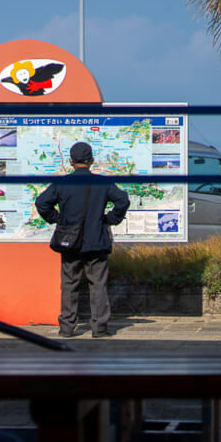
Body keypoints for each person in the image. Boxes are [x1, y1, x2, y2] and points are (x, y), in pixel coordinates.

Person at [35, 141, 130, 338]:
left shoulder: (62, 183)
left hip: (70, 243)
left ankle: (67, 328)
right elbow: (123, 200)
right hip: (96, 241)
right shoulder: (103, 183)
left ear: (71, 162)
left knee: (70, 284)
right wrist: (110, 219)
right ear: (91, 161)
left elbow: (42, 203)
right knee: (98, 285)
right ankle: (99, 328)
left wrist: (58, 219)